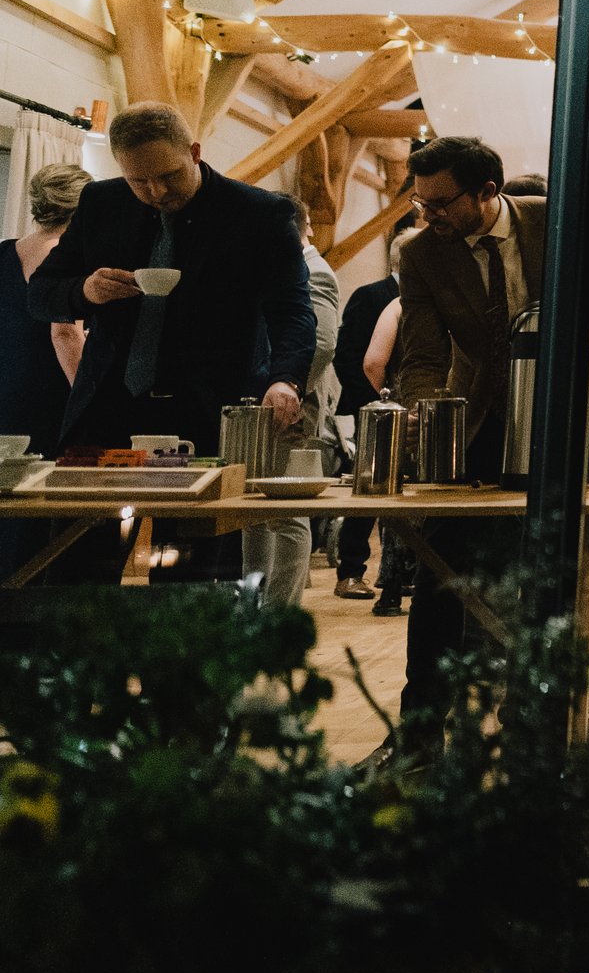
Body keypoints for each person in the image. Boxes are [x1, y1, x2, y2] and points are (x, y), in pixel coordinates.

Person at [391, 136, 589, 734]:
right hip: (479, 424)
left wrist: (565, 370)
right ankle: (421, 727)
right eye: (422, 203)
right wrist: (424, 412)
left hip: (572, 421)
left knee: (553, 574)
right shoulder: (421, 254)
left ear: (488, 193)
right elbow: (422, 353)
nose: (429, 215)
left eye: (442, 203)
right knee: (440, 576)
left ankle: (537, 724)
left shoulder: (557, 221)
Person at [32, 103, 314, 584]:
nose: (155, 192)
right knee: (77, 567)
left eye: (167, 175)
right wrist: (85, 290)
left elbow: (292, 310)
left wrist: (284, 378)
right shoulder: (102, 204)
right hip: (109, 408)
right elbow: (42, 291)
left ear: (195, 152)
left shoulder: (258, 214)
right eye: (138, 181)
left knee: (193, 579)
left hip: (204, 416)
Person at [238, 198, 342, 606]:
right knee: (253, 512)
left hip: (289, 407)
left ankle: (280, 612)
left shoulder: (315, 271)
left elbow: (321, 343)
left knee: (287, 510)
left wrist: (286, 389)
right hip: (262, 405)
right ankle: (253, 608)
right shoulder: (273, 265)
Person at [0, 163, 89, 579]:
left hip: (7, 389)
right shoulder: (65, 255)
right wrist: (88, 399)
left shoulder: (4, 251)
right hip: (52, 392)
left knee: (11, 496)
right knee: (49, 507)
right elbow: (65, 334)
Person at [330, 212, 414, 601]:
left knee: (406, 495)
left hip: (404, 408)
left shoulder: (422, 299)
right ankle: (350, 571)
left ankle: (401, 574)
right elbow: (350, 357)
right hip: (375, 408)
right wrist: (379, 403)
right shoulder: (372, 296)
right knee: (367, 494)